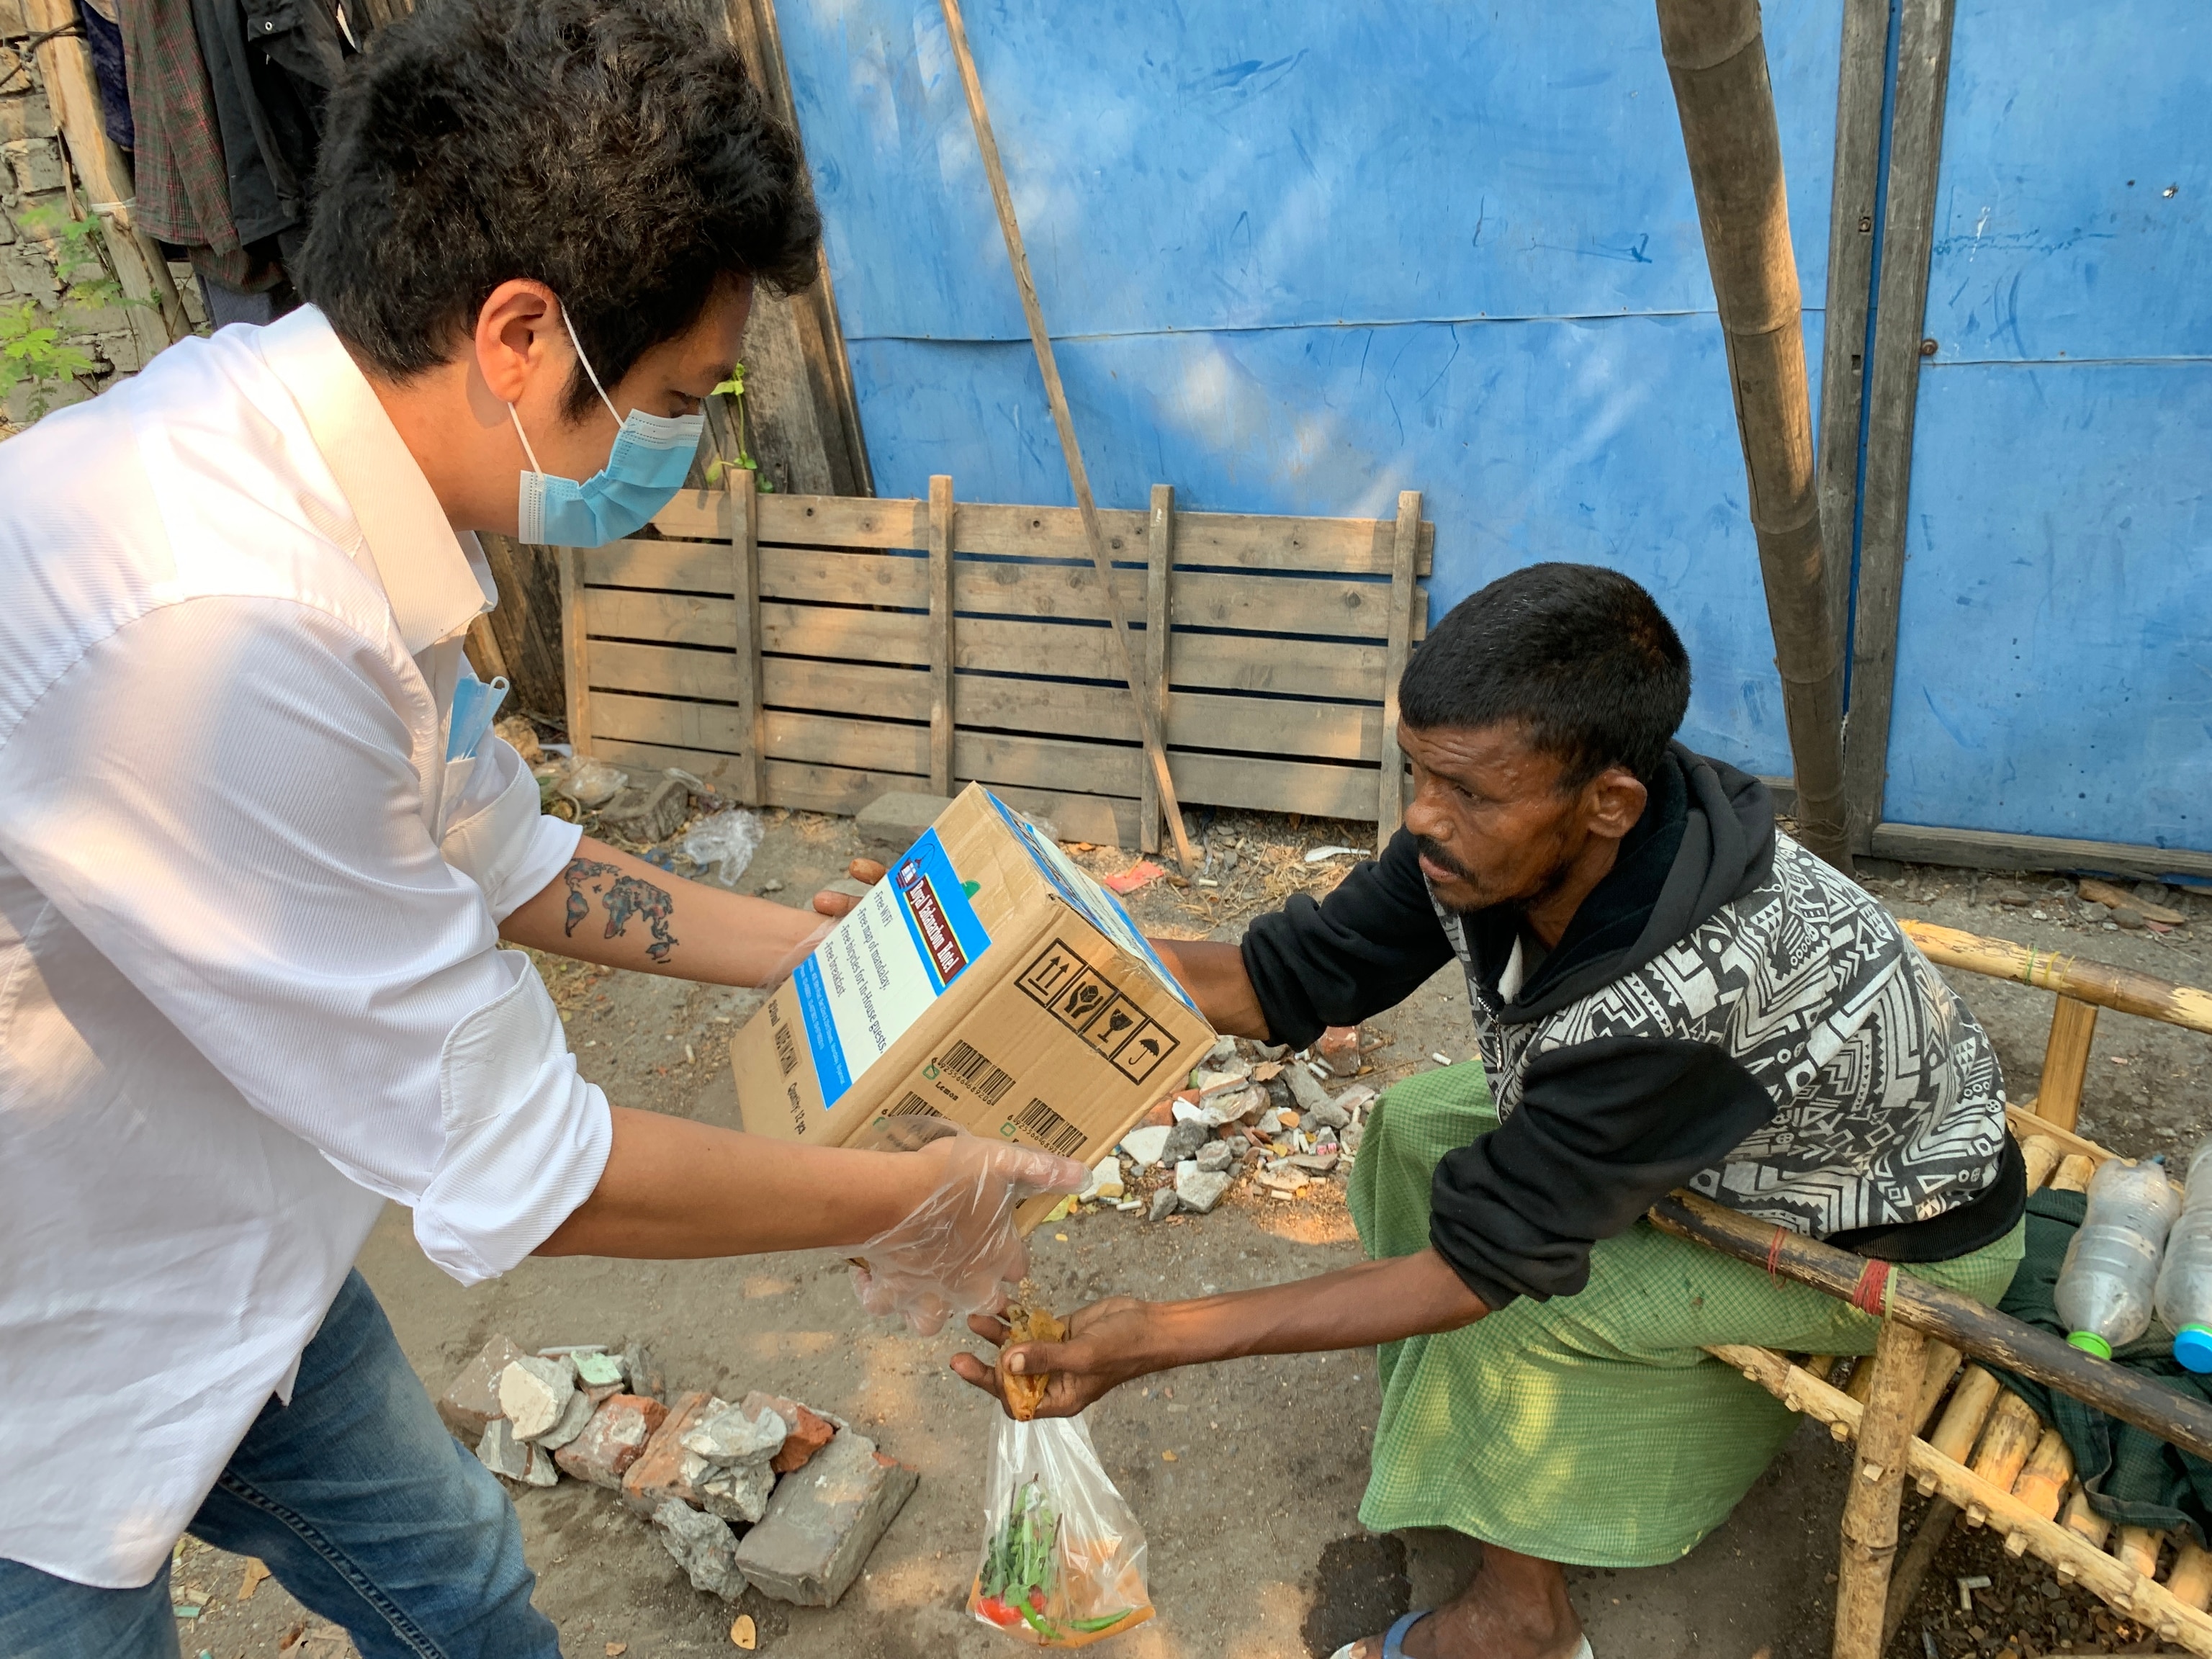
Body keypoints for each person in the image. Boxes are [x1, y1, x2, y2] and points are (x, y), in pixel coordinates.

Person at [0, 4, 1084, 1654]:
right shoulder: (221, 626)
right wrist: (906, 1196)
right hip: (41, 1358)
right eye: (675, 394)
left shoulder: (316, 477)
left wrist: (860, 957)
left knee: (460, 1587)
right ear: (519, 332)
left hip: (227, 1248)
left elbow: (511, 860)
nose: (683, 443)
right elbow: (534, 1174)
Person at [953, 564, 2028, 1659]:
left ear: (1610, 802)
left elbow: (1474, 1273)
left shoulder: (1687, 992)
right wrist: (1023, 963)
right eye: (1417, 772)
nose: (1421, 818)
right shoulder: (1510, 826)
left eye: (1464, 791)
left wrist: (1161, 1338)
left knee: (1503, 1302)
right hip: (1706, 1137)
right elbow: (1295, 979)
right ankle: (1464, 1433)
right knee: (1415, 1129)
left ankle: (1524, 1623)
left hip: (1883, 1236)